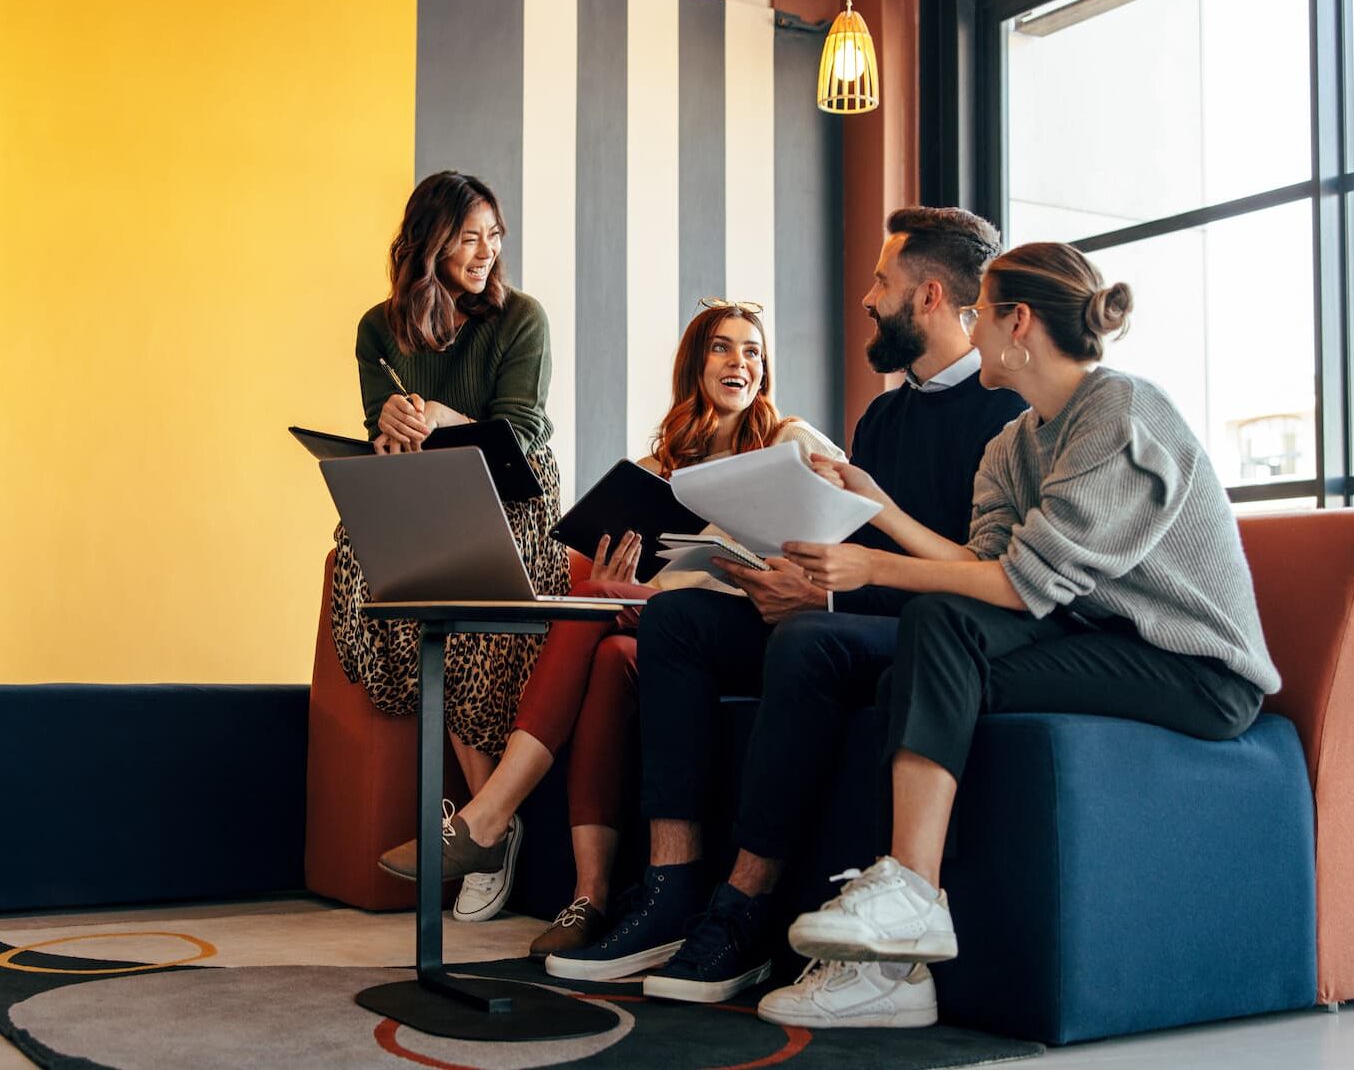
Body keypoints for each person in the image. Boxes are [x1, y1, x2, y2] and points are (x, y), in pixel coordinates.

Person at [757, 241, 1282, 1027]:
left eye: (980, 313)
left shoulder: (1121, 414)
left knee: (935, 629)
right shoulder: (1013, 443)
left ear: (1018, 323)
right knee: (909, 674)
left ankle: (908, 900)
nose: (968, 329)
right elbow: (984, 565)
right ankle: (896, 972)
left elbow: (1015, 584)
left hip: (1195, 670)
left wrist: (873, 566)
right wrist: (878, 509)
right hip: (1097, 641)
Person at [544, 207, 1028, 1015]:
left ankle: (742, 911)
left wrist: (827, 595)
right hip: (844, 607)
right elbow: (840, 537)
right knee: (676, 625)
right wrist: (786, 575)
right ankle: (669, 891)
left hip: (930, 633)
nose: (867, 298)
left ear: (930, 296)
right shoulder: (882, 416)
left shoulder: (1004, 416)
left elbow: (981, 578)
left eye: (881, 281)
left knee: (808, 641)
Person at [375, 299, 844, 945]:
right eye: (722, 347)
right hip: (669, 634)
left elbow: (845, 526)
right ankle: (587, 899)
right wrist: (622, 588)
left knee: (600, 600)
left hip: (760, 626)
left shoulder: (788, 440)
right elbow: (643, 587)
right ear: (694, 366)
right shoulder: (655, 472)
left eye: (752, 350)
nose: (740, 361)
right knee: (603, 636)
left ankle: (488, 819)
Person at [329, 170, 573, 900]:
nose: (485, 252)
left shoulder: (520, 317)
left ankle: (481, 829)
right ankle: (487, 829)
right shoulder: (380, 327)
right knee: (371, 568)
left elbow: (524, 434)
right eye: (469, 237)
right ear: (429, 241)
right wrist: (390, 430)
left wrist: (438, 416)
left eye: (493, 237)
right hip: (427, 492)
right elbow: (381, 425)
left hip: (513, 497)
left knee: (460, 598)